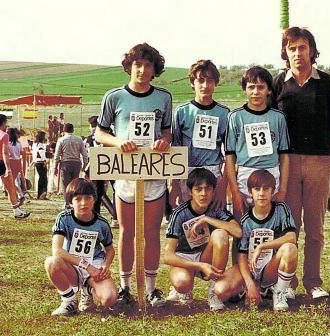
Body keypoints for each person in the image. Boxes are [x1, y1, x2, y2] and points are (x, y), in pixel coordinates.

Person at [270, 27, 330, 299]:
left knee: (314, 226)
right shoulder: (279, 83)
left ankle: (313, 281)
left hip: (318, 161)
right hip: (287, 162)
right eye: (292, 48)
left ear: (312, 50)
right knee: (289, 225)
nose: (298, 53)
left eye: (302, 47)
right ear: (285, 52)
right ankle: (287, 284)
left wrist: (324, 147)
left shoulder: (327, 83)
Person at [95, 43, 172, 306]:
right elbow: (99, 133)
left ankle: (151, 288)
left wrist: (163, 140)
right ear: (130, 67)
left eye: (148, 65)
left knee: (151, 232)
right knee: (127, 231)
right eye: (137, 64)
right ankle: (126, 286)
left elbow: (167, 131)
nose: (142, 69)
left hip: (153, 173)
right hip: (125, 174)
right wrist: (118, 142)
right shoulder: (113, 97)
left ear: (154, 69)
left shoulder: (164, 97)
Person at [214, 170, 297, 311]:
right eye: (257, 189)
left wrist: (262, 246)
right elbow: (241, 256)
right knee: (220, 290)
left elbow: (292, 237)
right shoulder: (246, 220)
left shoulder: (281, 209)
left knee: (290, 249)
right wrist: (250, 284)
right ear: (250, 192)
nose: (262, 193)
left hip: (271, 267)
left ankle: (279, 293)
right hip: (251, 267)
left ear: (273, 191)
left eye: (266, 189)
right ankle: (248, 289)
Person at [164, 168, 241, 311]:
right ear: (190, 192)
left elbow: (237, 231)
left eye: (208, 189)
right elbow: (167, 256)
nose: (203, 194)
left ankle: (214, 291)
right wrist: (199, 266)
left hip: (205, 256)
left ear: (213, 191)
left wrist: (207, 219)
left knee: (220, 234)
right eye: (198, 189)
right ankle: (183, 290)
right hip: (184, 259)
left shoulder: (216, 209)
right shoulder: (180, 213)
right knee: (182, 283)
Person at [225, 66, 290, 222]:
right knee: (242, 229)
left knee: (271, 227)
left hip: (271, 175)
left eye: (261, 87)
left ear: (268, 91)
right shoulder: (235, 117)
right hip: (245, 177)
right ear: (245, 90)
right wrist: (235, 191)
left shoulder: (278, 117)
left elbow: (284, 156)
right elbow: (229, 157)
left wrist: (283, 189)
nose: (255, 92)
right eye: (251, 87)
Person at [44, 178, 117, 316]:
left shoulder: (101, 223)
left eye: (88, 198)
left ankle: (88, 290)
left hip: (94, 266)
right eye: (78, 199)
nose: (83, 203)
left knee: (110, 298)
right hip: (72, 264)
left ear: (94, 199)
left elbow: (110, 250)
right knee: (52, 262)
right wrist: (86, 266)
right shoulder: (64, 218)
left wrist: (105, 266)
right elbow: (57, 251)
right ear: (70, 202)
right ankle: (69, 301)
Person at [170, 60, 229, 210]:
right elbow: (175, 149)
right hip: (187, 173)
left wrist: (223, 187)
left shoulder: (224, 113)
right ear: (192, 83)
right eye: (200, 80)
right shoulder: (182, 112)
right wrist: (174, 184)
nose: (205, 85)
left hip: (213, 173)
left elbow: (230, 154)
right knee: (189, 224)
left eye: (210, 80)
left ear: (215, 83)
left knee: (214, 221)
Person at [84, 115, 118, 227]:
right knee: (117, 191)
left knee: (97, 193)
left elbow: (88, 154)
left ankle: (96, 216)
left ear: (91, 126)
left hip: (96, 164)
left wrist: (86, 169)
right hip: (112, 163)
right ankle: (116, 217)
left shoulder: (89, 138)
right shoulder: (111, 135)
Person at [54, 123, 88, 206]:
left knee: (65, 184)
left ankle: (67, 203)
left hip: (65, 163)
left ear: (64, 130)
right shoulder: (79, 139)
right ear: (73, 130)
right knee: (74, 184)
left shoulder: (61, 140)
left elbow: (57, 154)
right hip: (76, 163)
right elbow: (84, 153)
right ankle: (74, 202)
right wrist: (85, 164)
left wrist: (55, 167)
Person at [7, 128, 26, 204]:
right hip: (17, 162)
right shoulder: (18, 143)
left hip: (10, 162)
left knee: (9, 182)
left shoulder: (7, 144)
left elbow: (7, 154)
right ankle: (17, 196)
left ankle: (19, 195)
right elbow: (22, 153)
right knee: (12, 181)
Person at [32, 131, 49, 200]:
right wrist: (45, 160)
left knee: (41, 178)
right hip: (41, 162)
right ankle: (42, 193)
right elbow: (41, 152)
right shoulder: (41, 145)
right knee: (44, 179)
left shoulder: (35, 144)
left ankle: (40, 194)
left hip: (37, 162)